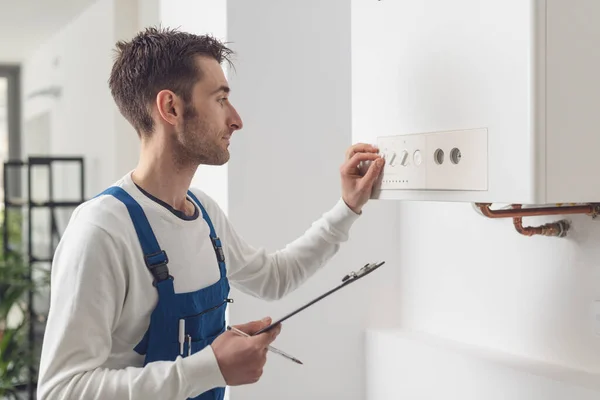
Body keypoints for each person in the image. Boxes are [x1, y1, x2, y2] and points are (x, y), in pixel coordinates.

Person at [37, 27, 384, 400]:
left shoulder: (203, 212)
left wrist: (348, 207)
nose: (236, 120)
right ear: (171, 107)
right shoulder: (102, 231)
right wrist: (209, 368)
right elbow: (61, 391)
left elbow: (274, 278)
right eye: (220, 100)